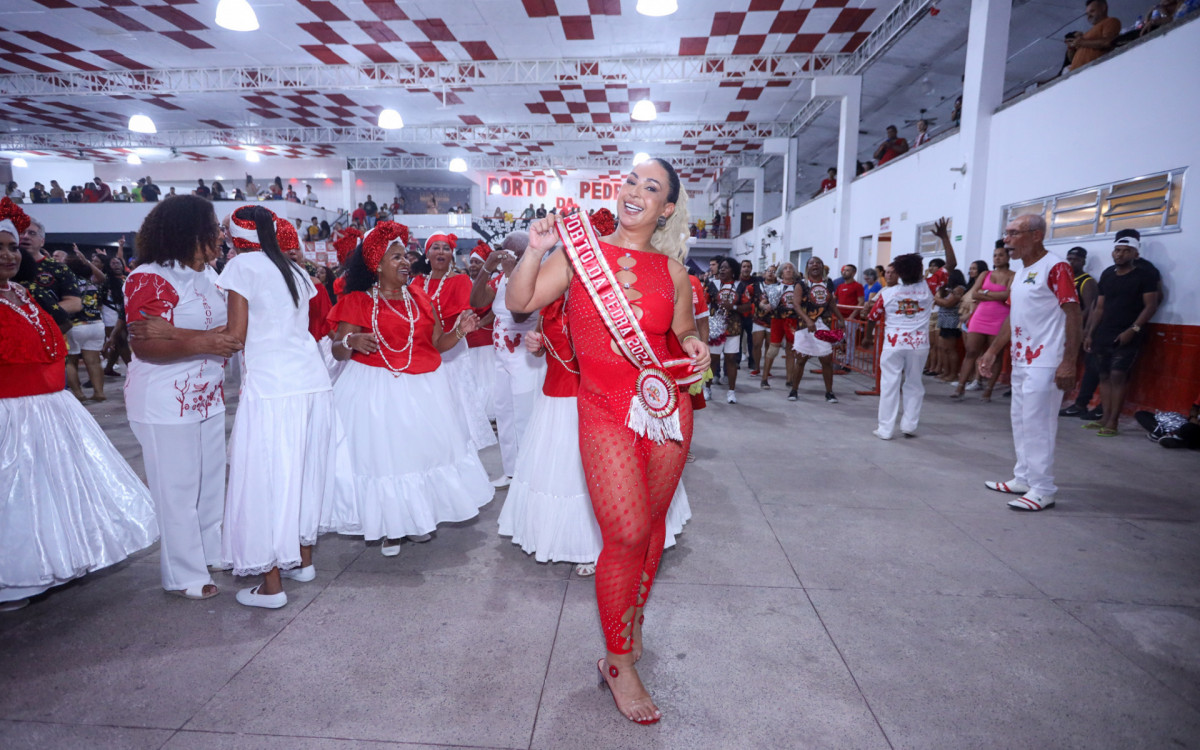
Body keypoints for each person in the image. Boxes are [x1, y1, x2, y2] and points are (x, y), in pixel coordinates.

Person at [504, 157, 708, 726]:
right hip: (602, 410)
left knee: (654, 526)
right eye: (631, 181)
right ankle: (618, 662)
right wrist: (535, 249)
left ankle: (631, 614)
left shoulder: (674, 273)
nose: (636, 191)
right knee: (624, 532)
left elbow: (683, 328)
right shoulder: (579, 254)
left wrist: (694, 346)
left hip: (666, 411)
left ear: (666, 208)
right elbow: (520, 304)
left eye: (652, 187)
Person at [0, 198, 157, 612]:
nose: (9, 255)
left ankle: (45, 565)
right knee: (15, 498)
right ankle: (12, 579)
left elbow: (60, 324)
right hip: (10, 415)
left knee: (47, 495)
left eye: (13, 247)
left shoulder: (21, 291)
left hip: (47, 411)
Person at [499, 285, 691, 577]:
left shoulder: (608, 299)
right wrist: (537, 346)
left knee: (605, 479)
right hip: (555, 401)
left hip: (598, 400)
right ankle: (577, 545)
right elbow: (545, 350)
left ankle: (600, 548)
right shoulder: (549, 303)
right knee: (563, 476)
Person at [326, 221, 493, 555]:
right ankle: (391, 527)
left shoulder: (420, 297)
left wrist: (461, 330)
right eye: (396, 257)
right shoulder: (358, 300)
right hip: (372, 392)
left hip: (421, 390)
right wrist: (351, 340)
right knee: (383, 461)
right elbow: (337, 350)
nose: (406, 262)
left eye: (406, 256)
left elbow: (437, 345)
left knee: (419, 459)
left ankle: (416, 518)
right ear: (375, 264)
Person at [217, 204, 337, 609]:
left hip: (272, 388)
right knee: (302, 474)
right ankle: (302, 563)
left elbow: (235, 336)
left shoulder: (242, 266)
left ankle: (271, 588)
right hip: (311, 383)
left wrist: (175, 336)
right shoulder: (295, 269)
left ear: (238, 235)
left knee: (265, 480)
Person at [123, 195, 240, 601]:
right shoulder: (149, 278)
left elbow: (231, 335)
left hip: (207, 396)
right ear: (188, 232)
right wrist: (205, 341)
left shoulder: (210, 276)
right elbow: (145, 346)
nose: (220, 237)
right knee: (177, 488)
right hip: (163, 399)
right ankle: (184, 574)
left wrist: (183, 336)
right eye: (213, 228)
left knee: (209, 483)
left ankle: (212, 551)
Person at [980, 214, 1081, 512]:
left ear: (1036, 235)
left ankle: (1043, 487)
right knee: (1021, 420)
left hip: (1047, 360)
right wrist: (993, 352)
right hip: (1022, 359)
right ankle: (1023, 477)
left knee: (1039, 424)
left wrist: (1069, 362)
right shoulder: (1023, 271)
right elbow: (1014, 318)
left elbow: (1073, 314)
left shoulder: (1056, 267)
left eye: (1013, 233)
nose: (1006, 240)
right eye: (1006, 233)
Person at [868, 218, 957, 439]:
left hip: (893, 345)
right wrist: (945, 237)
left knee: (890, 385)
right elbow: (951, 265)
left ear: (898, 273)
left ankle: (885, 429)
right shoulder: (930, 286)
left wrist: (868, 336)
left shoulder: (887, 294)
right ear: (919, 271)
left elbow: (872, 316)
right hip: (918, 345)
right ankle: (909, 425)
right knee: (914, 384)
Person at [469, 231, 544, 486]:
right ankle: (511, 470)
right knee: (504, 414)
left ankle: (528, 475)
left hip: (526, 358)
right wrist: (486, 270)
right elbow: (476, 300)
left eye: (516, 254)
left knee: (525, 416)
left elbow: (520, 314)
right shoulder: (500, 278)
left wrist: (513, 273)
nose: (509, 258)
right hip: (501, 357)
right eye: (505, 252)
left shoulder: (536, 277)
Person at [413, 232, 498, 453]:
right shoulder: (417, 282)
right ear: (427, 253)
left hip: (452, 353)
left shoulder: (460, 280)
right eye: (436, 248)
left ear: (451, 254)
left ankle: (463, 458)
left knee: (457, 411)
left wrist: (464, 321)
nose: (441, 252)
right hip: (423, 353)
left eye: (446, 248)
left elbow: (467, 312)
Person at [1082, 231, 1160, 437]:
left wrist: (1133, 330)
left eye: (1126, 251)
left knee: (1118, 376)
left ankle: (1113, 422)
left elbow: (1151, 306)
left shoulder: (1145, 275)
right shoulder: (1107, 274)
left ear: (1135, 254)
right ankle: (1104, 418)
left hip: (1128, 333)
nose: (1120, 254)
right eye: (1117, 250)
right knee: (1104, 375)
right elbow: (1099, 307)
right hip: (1103, 333)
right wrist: (1090, 332)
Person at [952, 240, 1012, 401]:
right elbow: (975, 294)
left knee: (996, 355)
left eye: (1000, 255)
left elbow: (1007, 296)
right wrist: (993, 295)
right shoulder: (986, 274)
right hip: (980, 317)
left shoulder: (1013, 276)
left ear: (1008, 257)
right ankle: (960, 387)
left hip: (1000, 319)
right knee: (971, 352)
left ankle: (989, 390)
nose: (997, 258)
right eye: (994, 255)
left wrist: (985, 294)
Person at [791, 255, 846, 403]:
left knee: (826, 359)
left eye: (818, 263)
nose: (815, 265)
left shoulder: (828, 283)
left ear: (822, 267)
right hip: (805, 326)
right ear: (807, 267)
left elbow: (832, 303)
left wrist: (840, 318)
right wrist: (808, 320)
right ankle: (794, 390)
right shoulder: (801, 284)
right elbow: (796, 304)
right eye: (811, 263)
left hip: (824, 325)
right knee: (801, 359)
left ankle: (829, 392)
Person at [16, 216, 80, 332]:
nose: (25, 236)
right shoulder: (7, 267)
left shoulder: (59, 268)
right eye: (22, 232)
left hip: (49, 332)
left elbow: (75, 303)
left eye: (32, 233)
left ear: (42, 242)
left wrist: (34, 314)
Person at [1059, 247, 1102, 418]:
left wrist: (1080, 328)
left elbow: (1090, 308)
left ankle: (1070, 400)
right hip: (1056, 328)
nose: (1071, 262)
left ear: (1084, 261)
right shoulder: (1064, 279)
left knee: (1068, 365)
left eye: (1075, 259)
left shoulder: (1087, 281)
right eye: (1069, 258)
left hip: (1073, 330)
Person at [63, 248, 108, 402]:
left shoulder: (68, 282)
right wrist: (88, 262)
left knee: (70, 361)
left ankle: (78, 394)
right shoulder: (93, 281)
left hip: (75, 325)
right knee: (94, 361)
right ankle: (99, 392)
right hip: (96, 324)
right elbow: (103, 278)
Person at [706, 257, 744, 403]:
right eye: (721, 267)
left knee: (731, 359)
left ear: (733, 270)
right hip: (716, 329)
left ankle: (731, 392)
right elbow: (704, 304)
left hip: (733, 328)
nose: (722, 269)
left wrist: (733, 307)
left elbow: (748, 307)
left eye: (726, 267)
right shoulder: (712, 285)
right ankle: (707, 389)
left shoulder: (740, 286)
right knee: (713, 360)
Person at [765, 261, 800, 391]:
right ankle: (764, 378)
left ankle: (789, 379)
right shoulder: (775, 286)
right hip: (777, 319)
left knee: (791, 350)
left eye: (791, 268)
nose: (788, 270)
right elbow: (763, 301)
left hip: (793, 320)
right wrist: (765, 306)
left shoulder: (799, 286)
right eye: (785, 268)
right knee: (773, 350)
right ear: (781, 272)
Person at [1068, 0, 1121, 71]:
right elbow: (1072, 59)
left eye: (1092, 11)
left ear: (1103, 7)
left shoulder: (1111, 21)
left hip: (1093, 71)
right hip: (1077, 74)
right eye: (1087, 14)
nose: (1089, 16)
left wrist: (1082, 42)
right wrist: (1071, 47)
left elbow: (1109, 42)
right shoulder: (1087, 33)